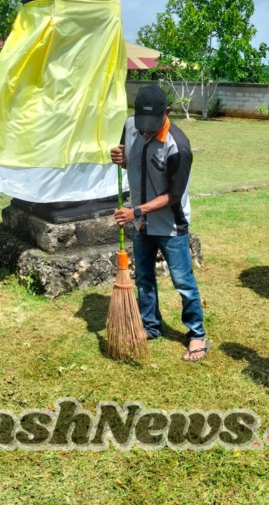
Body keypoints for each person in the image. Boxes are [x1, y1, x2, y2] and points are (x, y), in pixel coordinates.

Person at [110, 84, 211, 362]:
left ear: (167, 113)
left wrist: (137, 211)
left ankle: (197, 335)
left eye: (151, 127)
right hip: (142, 223)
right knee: (144, 277)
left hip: (170, 225)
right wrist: (119, 159)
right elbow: (130, 162)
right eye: (142, 126)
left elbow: (174, 195)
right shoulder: (132, 125)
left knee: (183, 282)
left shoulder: (178, 146)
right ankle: (150, 326)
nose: (145, 131)